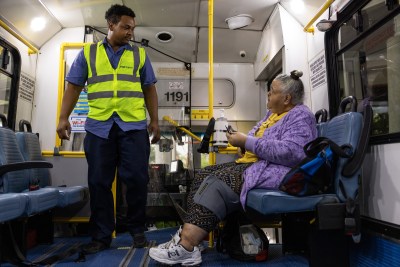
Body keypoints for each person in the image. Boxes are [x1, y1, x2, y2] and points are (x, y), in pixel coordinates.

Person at [149, 70, 317, 266]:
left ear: (287, 98)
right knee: (205, 173)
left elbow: (293, 153)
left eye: (272, 91)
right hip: (257, 163)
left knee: (219, 181)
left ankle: (187, 245)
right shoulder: (272, 115)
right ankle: (191, 240)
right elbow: (257, 137)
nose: (268, 95)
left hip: (281, 172)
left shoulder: (301, 116)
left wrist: (247, 142)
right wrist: (244, 145)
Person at [56, 4, 160, 254]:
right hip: (99, 127)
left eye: (132, 28)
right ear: (111, 25)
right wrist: (62, 118)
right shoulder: (88, 54)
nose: (130, 33)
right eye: (126, 27)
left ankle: (136, 229)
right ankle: (101, 236)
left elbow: (149, 89)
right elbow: (73, 86)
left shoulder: (139, 55)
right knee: (99, 182)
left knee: (136, 179)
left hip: (133, 126)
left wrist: (154, 120)